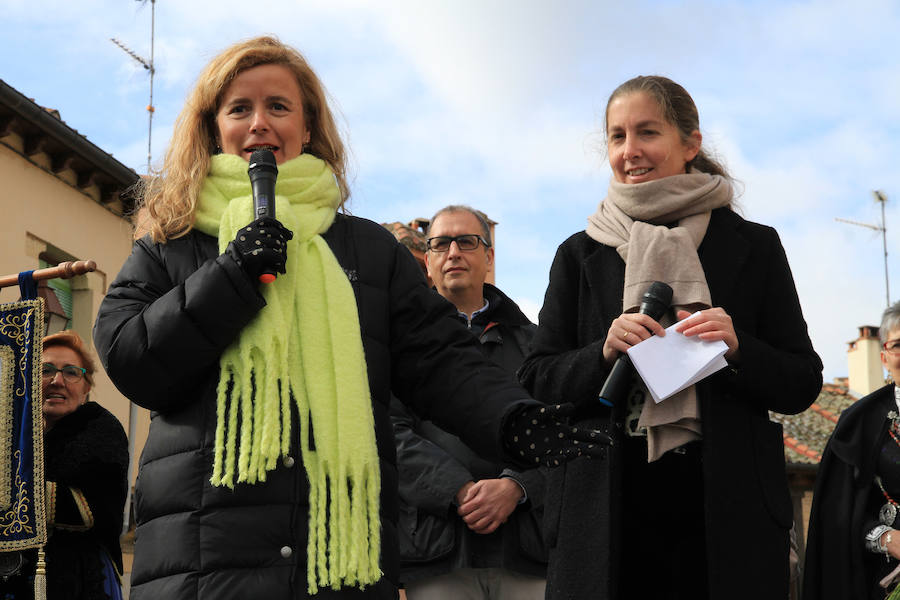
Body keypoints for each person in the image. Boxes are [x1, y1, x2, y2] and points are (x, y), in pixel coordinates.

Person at [91, 36, 599, 600]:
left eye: (279, 107)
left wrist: (514, 419)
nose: (260, 123)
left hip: (334, 565)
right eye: (240, 108)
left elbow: (441, 362)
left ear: (307, 129)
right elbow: (131, 359)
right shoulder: (171, 241)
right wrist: (231, 276)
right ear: (214, 129)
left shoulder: (368, 251)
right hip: (202, 563)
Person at [517, 75, 823, 600]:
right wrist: (603, 350)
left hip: (728, 509)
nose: (630, 151)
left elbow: (802, 382)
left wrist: (739, 346)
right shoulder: (578, 252)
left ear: (690, 144)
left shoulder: (754, 245)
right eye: (617, 136)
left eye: (647, 133)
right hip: (603, 513)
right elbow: (537, 379)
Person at [390, 206, 546, 599]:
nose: (454, 252)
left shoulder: (537, 347)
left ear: (489, 257)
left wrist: (516, 487)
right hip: (437, 553)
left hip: (525, 552)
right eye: (441, 244)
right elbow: (388, 431)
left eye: (467, 242)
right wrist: (457, 489)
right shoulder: (396, 346)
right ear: (428, 260)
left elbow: (558, 434)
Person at [5, 330, 129, 600]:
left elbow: (91, 511)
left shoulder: (100, 430)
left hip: (82, 578)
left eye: (71, 372)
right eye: (45, 369)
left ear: (86, 388)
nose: (57, 380)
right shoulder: (11, 432)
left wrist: (13, 493)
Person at [803, 302, 900, 599]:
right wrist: (886, 538)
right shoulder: (859, 422)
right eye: (899, 345)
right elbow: (838, 515)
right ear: (883, 355)